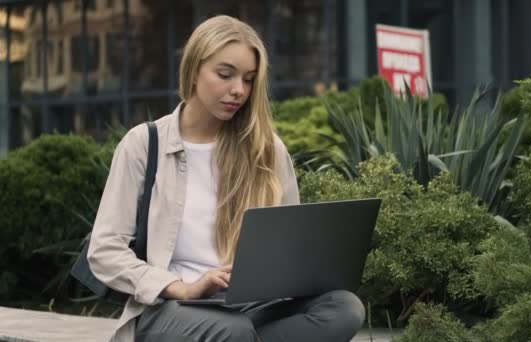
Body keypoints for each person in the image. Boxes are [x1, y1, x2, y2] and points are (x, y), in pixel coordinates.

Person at [87, 15, 365, 342]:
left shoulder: (267, 150)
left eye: (248, 80)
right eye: (225, 74)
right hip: (171, 307)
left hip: (250, 307)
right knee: (233, 332)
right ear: (193, 70)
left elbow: (290, 246)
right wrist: (182, 288)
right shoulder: (144, 144)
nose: (238, 90)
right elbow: (104, 251)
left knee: (344, 308)